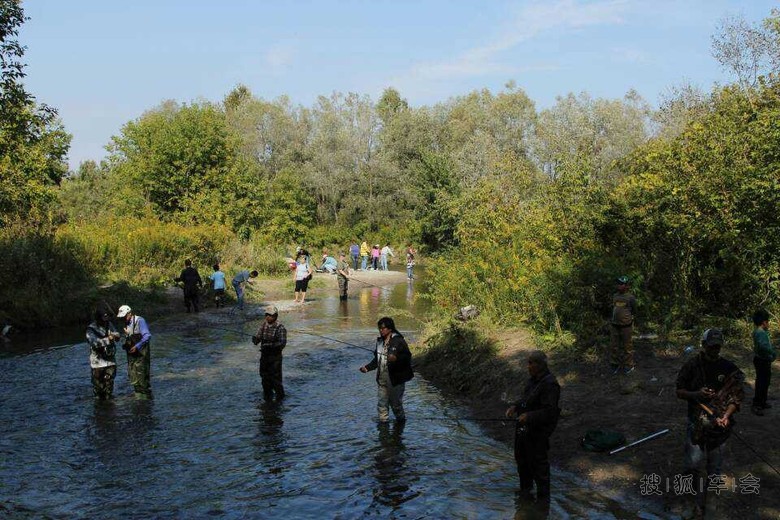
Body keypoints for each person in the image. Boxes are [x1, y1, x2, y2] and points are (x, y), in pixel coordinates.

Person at [676, 328, 744, 518]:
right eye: (711, 346)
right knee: (691, 466)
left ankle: (710, 507)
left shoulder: (729, 368)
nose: (714, 350)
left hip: (719, 427)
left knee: (714, 469)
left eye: (717, 347)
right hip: (695, 424)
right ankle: (690, 505)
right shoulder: (692, 366)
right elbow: (679, 391)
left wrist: (726, 416)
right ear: (703, 345)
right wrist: (696, 394)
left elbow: (736, 398)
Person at [505, 351, 561, 510]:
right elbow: (525, 400)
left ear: (540, 365)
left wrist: (529, 416)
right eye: (528, 363)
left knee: (539, 468)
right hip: (523, 431)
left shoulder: (551, 385)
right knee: (522, 463)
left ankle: (543, 504)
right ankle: (525, 496)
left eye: (531, 363)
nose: (528, 366)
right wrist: (515, 407)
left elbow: (550, 412)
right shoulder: (533, 381)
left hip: (538, 434)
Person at [359, 317, 413, 423]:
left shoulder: (399, 340)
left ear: (390, 329)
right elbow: (377, 359)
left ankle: (401, 424)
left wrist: (396, 358)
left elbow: (407, 357)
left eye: (383, 328)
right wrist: (367, 368)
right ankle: (383, 426)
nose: (381, 330)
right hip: (382, 376)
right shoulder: (380, 342)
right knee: (382, 404)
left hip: (396, 377)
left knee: (395, 404)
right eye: (379, 328)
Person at [117, 304, 153, 399]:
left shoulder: (140, 320)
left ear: (130, 313)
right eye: (122, 317)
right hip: (132, 356)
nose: (123, 319)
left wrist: (137, 346)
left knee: (142, 377)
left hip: (142, 354)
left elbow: (147, 336)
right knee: (133, 376)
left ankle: (146, 400)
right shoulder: (126, 323)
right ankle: (139, 399)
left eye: (124, 316)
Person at [252, 305, 287, 401]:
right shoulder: (263, 325)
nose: (268, 317)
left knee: (275, 379)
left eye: (270, 315)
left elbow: (282, 343)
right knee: (264, 378)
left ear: (276, 316)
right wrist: (255, 340)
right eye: (266, 314)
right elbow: (257, 339)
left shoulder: (280, 328)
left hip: (275, 357)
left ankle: (280, 399)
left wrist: (272, 345)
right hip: (264, 356)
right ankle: (267, 397)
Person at [86, 303, 120, 401]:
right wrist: (108, 339)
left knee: (109, 388)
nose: (105, 321)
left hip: (110, 362)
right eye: (103, 318)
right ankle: (100, 411)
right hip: (97, 364)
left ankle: (109, 409)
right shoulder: (90, 329)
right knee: (99, 390)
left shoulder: (109, 324)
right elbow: (94, 343)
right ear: (98, 318)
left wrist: (116, 336)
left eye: (107, 318)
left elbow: (116, 333)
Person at [609, 275, 637, 374]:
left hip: (626, 326)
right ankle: (614, 364)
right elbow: (614, 308)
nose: (619, 286)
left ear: (626, 286)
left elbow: (634, 310)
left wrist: (629, 319)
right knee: (614, 346)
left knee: (627, 347)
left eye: (621, 284)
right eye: (618, 284)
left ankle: (628, 365)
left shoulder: (630, 297)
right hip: (615, 325)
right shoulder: (615, 296)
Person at [751, 309, 776, 416]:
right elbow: (762, 346)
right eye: (767, 321)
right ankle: (757, 405)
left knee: (765, 381)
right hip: (762, 360)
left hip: (762, 360)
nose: (768, 324)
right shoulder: (760, 333)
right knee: (762, 382)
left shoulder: (759, 331)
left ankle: (762, 402)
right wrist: (772, 353)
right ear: (764, 322)